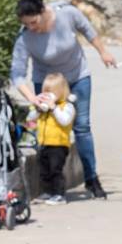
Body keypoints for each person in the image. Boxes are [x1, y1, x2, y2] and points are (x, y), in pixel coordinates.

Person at [10, 0, 120, 200]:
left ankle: (91, 179)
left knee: (81, 127)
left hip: (77, 76)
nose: (31, 27)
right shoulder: (25, 38)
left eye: (33, 22)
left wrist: (103, 52)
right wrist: (32, 98)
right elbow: (17, 74)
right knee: (46, 130)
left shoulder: (66, 14)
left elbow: (88, 30)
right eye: (26, 24)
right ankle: (50, 186)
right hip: (48, 84)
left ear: (43, 12)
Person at [26, 72, 76, 204]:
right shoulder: (43, 109)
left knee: (55, 170)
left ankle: (59, 194)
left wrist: (54, 108)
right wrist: (38, 108)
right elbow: (30, 118)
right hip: (43, 143)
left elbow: (65, 121)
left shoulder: (66, 107)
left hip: (59, 144)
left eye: (50, 92)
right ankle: (48, 191)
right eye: (45, 91)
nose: (47, 95)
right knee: (44, 170)